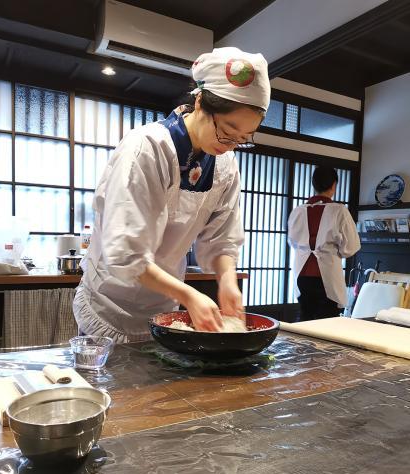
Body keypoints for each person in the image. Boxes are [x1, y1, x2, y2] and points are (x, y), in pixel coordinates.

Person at [73, 47, 271, 343]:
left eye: (243, 139)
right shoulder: (146, 148)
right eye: (227, 131)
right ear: (201, 101)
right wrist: (187, 294)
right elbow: (125, 253)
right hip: (109, 305)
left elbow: (222, 238)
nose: (231, 145)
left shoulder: (225, 166)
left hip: (162, 309)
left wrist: (227, 280)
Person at [288, 166, 360, 321]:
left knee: (306, 317)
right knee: (327, 321)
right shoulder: (339, 210)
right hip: (327, 275)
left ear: (314, 184)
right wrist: (335, 250)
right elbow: (351, 247)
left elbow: (292, 241)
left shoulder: (298, 211)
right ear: (334, 185)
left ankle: (301, 346)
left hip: (302, 273)